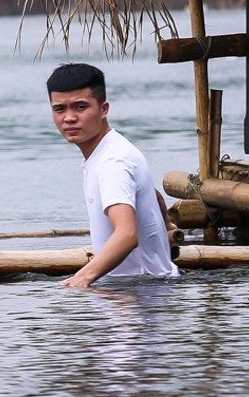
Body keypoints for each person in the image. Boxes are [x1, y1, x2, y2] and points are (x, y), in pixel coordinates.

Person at [47, 62, 177, 289]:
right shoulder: (112, 150)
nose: (69, 118)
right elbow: (153, 195)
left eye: (80, 107)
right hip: (138, 288)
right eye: (60, 109)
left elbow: (127, 235)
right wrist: (166, 224)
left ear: (104, 108)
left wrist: (81, 279)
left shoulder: (112, 162)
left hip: (139, 292)